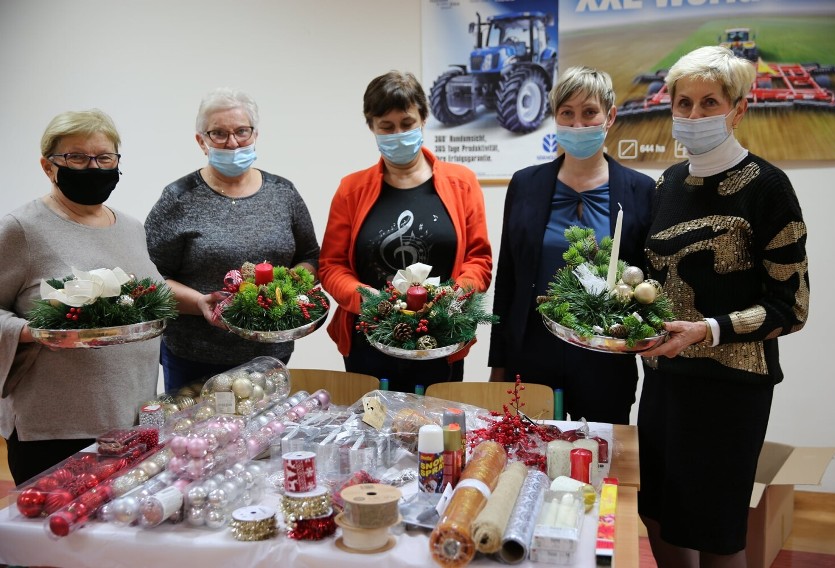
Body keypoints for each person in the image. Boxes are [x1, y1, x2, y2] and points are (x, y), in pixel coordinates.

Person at [638, 46, 809, 568]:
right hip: (666, 380)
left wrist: (708, 329)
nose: (693, 116)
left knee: (714, 528)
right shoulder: (667, 184)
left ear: (738, 109)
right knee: (659, 513)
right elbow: (654, 281)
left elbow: (792, 307)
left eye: (709, 102)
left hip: (731, 390)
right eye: (683, 103)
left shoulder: (768, 188)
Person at [0, 109, 162, 484]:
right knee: (56, 536)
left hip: (131, 419)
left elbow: (152, 297)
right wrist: (31, 332)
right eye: (77, 157)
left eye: (104, 158)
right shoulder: (22, 229)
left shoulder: (131, 228)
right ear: (48, 165)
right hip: (56, 428)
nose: (93, 168)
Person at [488, 66, 655, 425]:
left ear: (610, 116)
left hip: (606, 360)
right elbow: (509, 279)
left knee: (600, 461)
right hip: (531, 353)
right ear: (555, 118)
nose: (578, 125)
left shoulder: (640, 190)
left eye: (589, 112)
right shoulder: (525, 185)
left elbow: (648, 283)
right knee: (528, 461)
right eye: (567, 113)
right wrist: (498, 364)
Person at [319, 71, 492, 394]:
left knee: (439, 437)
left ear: (424, 119)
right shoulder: (351, 189)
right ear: (371, 126)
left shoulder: (462, 182)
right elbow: (331, 266)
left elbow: (479, 260)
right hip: (368, 341)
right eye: (386, 126)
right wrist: (369, 300)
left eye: (407, 123)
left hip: (440, 339)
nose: (398, 134)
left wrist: (450, 299)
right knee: (372, 437)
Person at [145, 88, 320, 393]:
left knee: (265, 437)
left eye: (242, 131)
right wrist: (199, 302)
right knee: (196, 439)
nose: (233, 142)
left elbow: (310, 255)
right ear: (202, 141)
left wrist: (295, 282)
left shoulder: (283, 193)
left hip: (270, 356)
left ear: (255, 134)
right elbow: (150, 274)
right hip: (194, 356)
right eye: (219, 134)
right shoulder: (179, 198)